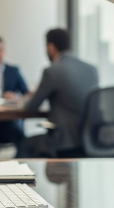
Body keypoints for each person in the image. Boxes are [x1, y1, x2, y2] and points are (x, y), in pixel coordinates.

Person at [24, 28, 99, 157]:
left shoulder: (52, 71)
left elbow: (30, 107)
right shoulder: (92, 69)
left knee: (24, 144)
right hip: (90, 141)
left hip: (64, 141)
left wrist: (25, 98)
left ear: (51, 47)